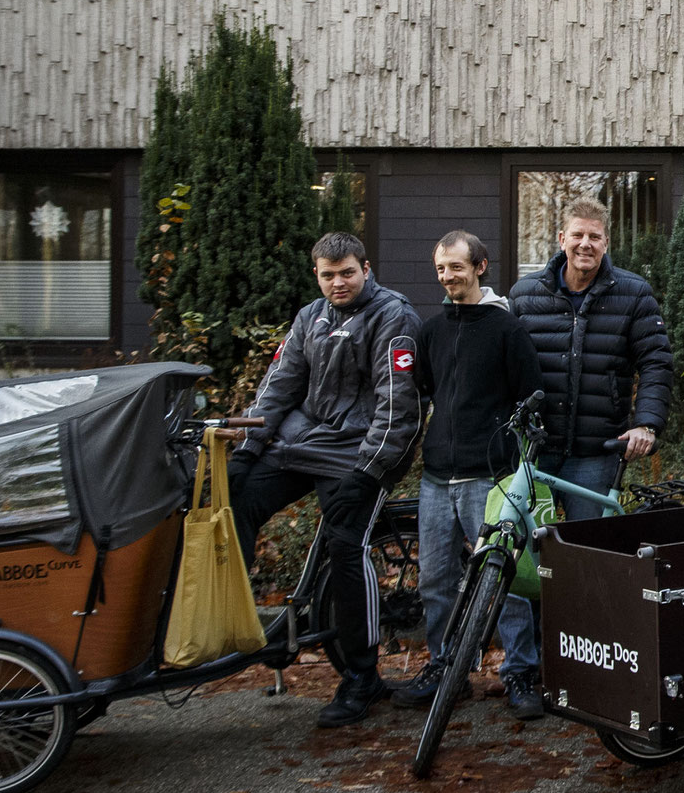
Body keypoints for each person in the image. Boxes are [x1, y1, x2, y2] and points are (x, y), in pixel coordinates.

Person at [231, 231, 423, 729]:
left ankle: (362, 678)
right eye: (327, 275)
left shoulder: (393, 316)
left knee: (345, 545)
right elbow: (279, 386)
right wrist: (247, 449)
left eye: (347, 273)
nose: (337, 283)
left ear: (366, 267)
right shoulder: (309, 317)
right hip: (305, 441)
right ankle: (231, 624)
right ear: (316, 273)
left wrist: (370, 471)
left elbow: (397, 407)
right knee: (237, 499)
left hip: (358, 451)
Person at [393, 231, 546, 719]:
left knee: (506, 582)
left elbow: (531, 397)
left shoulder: (507, 330)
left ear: (480, 267)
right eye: (440, 269)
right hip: (438, 478)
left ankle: (520, 672)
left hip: (492, 477)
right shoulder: (430, 331)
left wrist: (521, 465)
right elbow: (427, 391)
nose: (447, 276)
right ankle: (445, 670)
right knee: (435, 581)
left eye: (456, 267)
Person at [507, 196, 675, 522]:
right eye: (577, 235)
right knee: (522, 551)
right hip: (535, 448)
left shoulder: (633, 292)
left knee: (588, 556)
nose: (585, 244)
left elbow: (656, 361)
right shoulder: (524, 295)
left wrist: (646, 423)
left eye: (594, 237)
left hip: (596, 453)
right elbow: (506, 368)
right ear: (561, 239)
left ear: (606, 243)